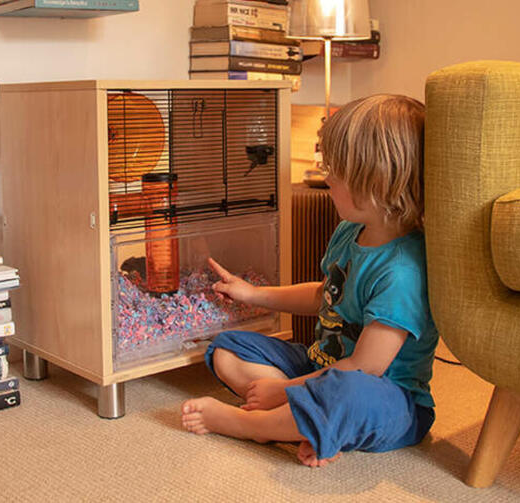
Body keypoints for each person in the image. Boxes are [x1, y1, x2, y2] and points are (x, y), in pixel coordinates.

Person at [180, 94, 438, 467]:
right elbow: (324, 295)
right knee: (228, 347)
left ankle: (253, 425)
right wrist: (254, 294)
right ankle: (306, 422)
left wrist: (280, 389)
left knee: (347, 394)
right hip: (322, 363)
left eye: (336, 168)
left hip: (387, 397)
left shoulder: (402, 271)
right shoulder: (350, 231)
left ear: (375, 180)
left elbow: (366, 368)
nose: (327, 175)